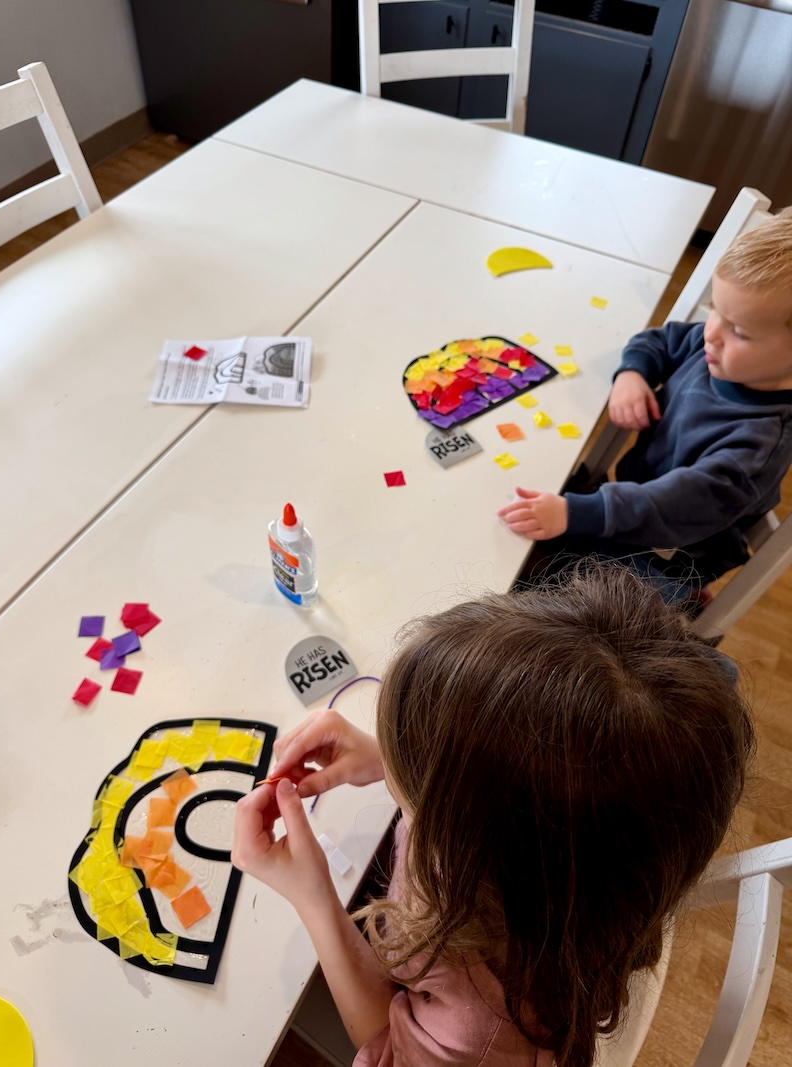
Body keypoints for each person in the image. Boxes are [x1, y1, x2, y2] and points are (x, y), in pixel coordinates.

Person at [231, 567, 755, 1067]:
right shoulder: (573, 862)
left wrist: (314, 898)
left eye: (413, 796)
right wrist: (396, 758)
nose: (400, 785)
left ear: (475, 843)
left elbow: (392, 1050)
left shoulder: (481, 1032)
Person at [498, 206, 792, 604]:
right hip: (626, 505)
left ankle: (681, 600)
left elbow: (670, 508)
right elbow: (659, 340)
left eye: (738, 330)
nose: (711, 333)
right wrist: (632, 374)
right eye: (714, 311)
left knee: (565, 618)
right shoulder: (717, 350)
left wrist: (575, 514)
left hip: (663, 558)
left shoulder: (758, 446)